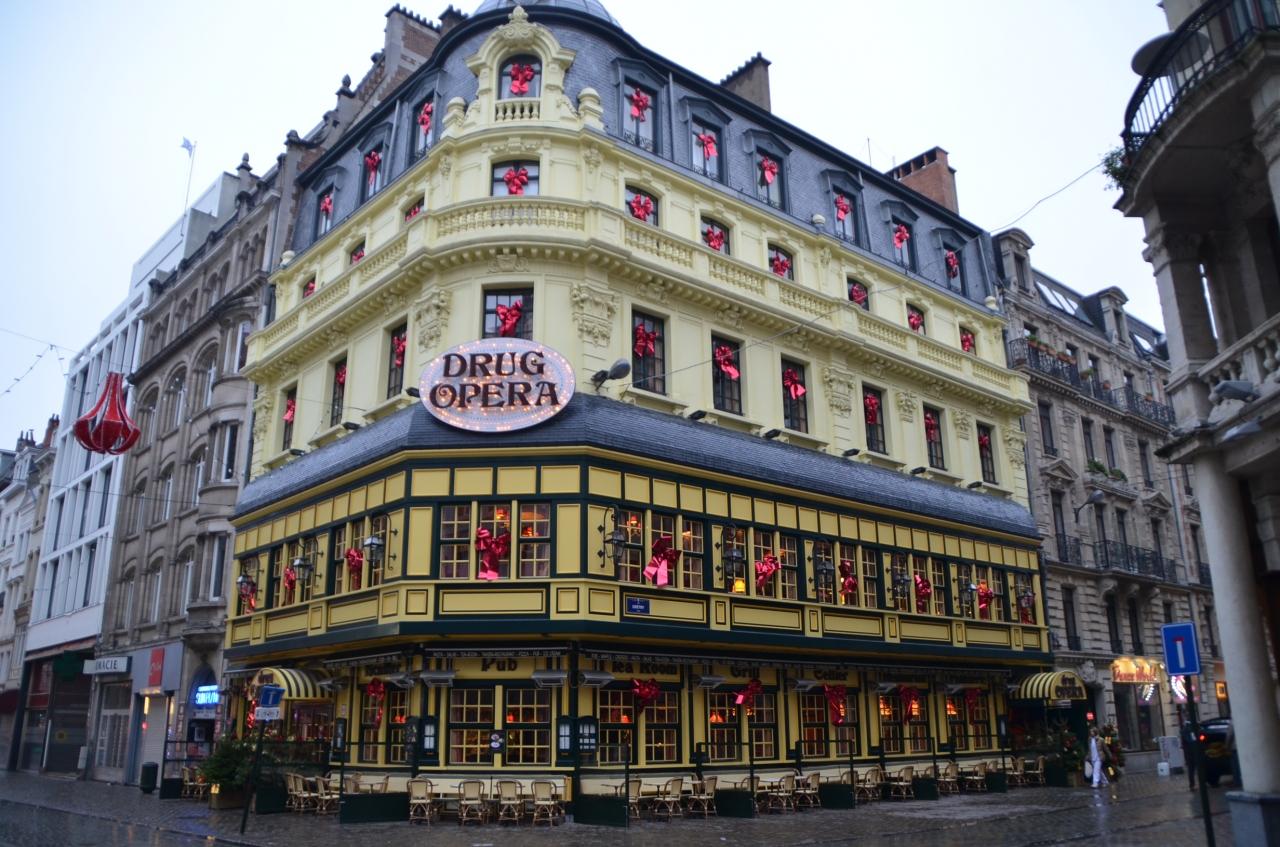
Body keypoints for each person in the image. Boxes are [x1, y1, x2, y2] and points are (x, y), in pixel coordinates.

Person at [1180, 719, 1197, 790]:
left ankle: (1192, 785)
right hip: (1193, 752)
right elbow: (1192, 740)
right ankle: (1195, 784)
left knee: (1191, 769)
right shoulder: (1191, 730)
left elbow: (1185, 742)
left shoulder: (1183, 731)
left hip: (1188, 753)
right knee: (1196, 768)